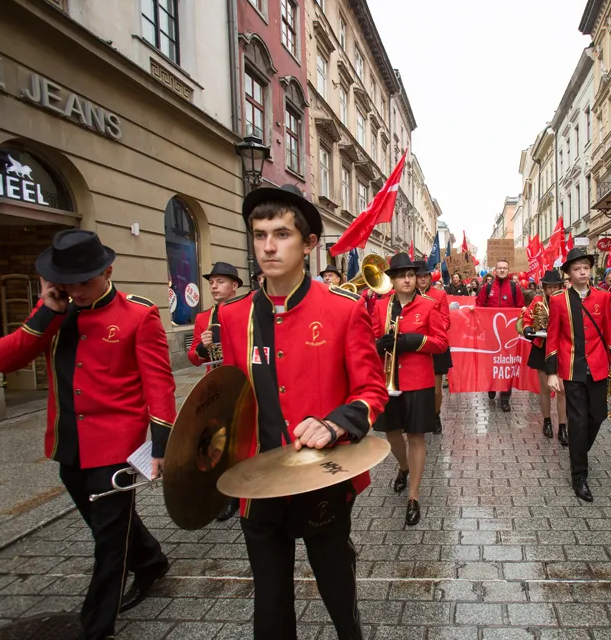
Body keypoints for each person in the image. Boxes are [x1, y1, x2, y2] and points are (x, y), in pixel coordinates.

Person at [218, 184, 388, 639]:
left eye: (281, 234)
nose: (268, 247)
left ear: (309, 243)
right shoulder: (235, 316)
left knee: (335, 581)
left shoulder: (344, 309)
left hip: (323, 475)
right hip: (256, 480)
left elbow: (372, 390)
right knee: (270, 601)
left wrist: (334, 424)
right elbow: (232, 399)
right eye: (258, 235)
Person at [0, 230, 175, 639]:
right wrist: (46, 312)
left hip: (116, 445)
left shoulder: (138, 315)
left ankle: (97, 625)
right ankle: (151, 562)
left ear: (108, 270)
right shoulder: (56, 311)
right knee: (103, 521)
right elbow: (3, 360)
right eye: (68, 283)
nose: (77, 291)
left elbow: (159, 384)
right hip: (68, 441)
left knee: (108, 540)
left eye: (85, 282)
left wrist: (161, 445)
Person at [372, 254, 448, 526]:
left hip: (419, 381)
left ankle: (413, 496)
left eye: (411, 275)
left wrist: (415, 340)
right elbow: (369, 338)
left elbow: (440, 343)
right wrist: (378, 344)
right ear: (391, 280)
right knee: (392, 435)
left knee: (416, 437)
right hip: (388, 381)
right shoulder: (380, 307)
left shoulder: (429, 306)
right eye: (401, 275)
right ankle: (403, 467)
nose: (408, 279)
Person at [546, 248, 611, 502]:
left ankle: (579, 450)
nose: (582, 272)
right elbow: (553, 336)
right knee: (577, 420)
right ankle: (579, 475)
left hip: (599, 365)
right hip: (571, 367)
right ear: (568, 273)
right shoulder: (558, 300)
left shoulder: (603, 297)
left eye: (586, 267)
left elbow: (608, 329)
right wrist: (552, 372)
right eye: (577, 268)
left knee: (597, 415)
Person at [187, 261, 245, 521]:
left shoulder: (247, 312)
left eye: (220, 281)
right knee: (216, 442)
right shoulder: (203, 318)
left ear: (234, 286)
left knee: (238, 441)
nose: (214, 286)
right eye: (211, 282)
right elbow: (193, 358)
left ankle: (237, 494)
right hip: (215, 387)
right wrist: (201, 347)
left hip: (242, 385)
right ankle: (222, 493)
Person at [522, 270, 567, 442]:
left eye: (556, 286)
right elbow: (528, 317)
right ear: (545, 287)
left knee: (562, 390)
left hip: (562, 348)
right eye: (550, 287)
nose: (553, 289)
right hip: (542, 347)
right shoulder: (537, 300)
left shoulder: (566, 300)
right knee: (545, 389)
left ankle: (562, 426)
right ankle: (547, 421)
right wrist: (527, 328)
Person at [476, 258, 524, 411]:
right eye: (499, 268)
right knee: (492, 363)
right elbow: (478, 306)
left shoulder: (515, 288)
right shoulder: (487, 287)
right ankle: (491, 386)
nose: (502, 270)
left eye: (505, 268)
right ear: (495, 270)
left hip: (509, 336)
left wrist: (522, 312)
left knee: (507, 365)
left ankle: (505, 397)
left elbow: (521, 308)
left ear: (508, 271)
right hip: (490, 335)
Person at [414, 260, 452, 434]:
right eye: (419, 276)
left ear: (430, 277)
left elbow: (446, 320)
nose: (422, 279)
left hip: (435, 344)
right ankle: (420, 416)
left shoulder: (440, 294)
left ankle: (435, 415)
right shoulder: (407, 295)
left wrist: (432, 330)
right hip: (415, 345)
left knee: (436, 389)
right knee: (416, 386)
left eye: (425, 276)